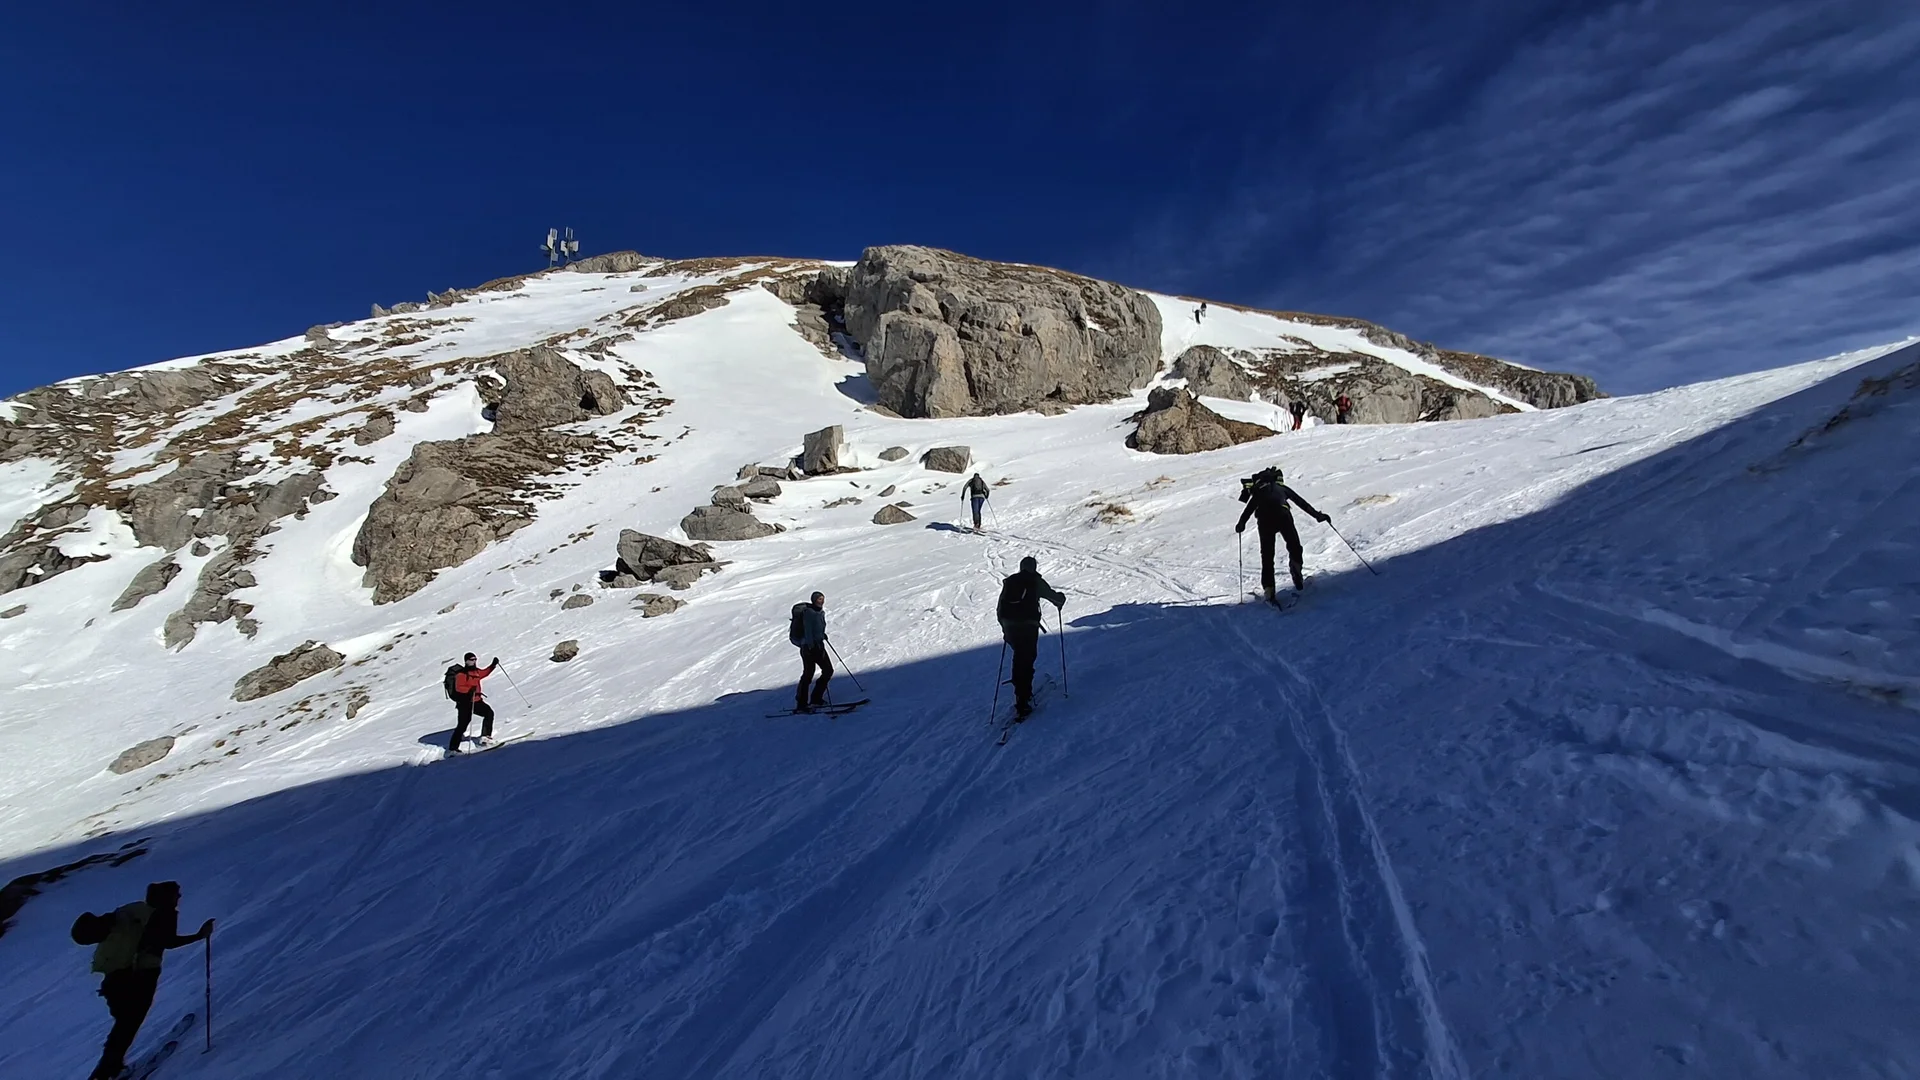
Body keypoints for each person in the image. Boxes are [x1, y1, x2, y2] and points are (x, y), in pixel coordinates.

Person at [83, 881, 213, 1080]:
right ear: (167, 897)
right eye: (176, 894)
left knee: (124, 1021)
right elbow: (166, 941)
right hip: (141, 973)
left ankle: (108, 1068)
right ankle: (109, 1071)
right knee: (130, 1020)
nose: (179, 897)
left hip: (113, 974)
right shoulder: (163, 913)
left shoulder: (138, 911)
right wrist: (199, 936)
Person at [1236, 466, 1330, 601]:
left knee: (1267, 556)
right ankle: (1295, 565)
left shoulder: (1257, 492)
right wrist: (1317, 516)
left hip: (1265, 521)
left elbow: (1248, 510)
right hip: (1283, 516)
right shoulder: (1281, 488)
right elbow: (1300, 502)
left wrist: (1241, 524)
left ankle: (1269, 589)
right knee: (1294, 546)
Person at [996, 556, 1066, 718]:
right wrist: (1061, 599)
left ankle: (1020, 691)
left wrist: (1005, 630)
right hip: (1027, 626)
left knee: (1019, 657)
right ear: (1034, 567)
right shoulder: (1035, 581)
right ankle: (1023, 698)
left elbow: (1000, 608)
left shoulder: (1010, 582)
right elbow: (1054, 597)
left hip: (1010, 627)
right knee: (1026, 659)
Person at [449, 653, 499, 753]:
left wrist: (493, 665)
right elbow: (459, 688)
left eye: (475, 659)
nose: (474, 661)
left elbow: (484, 673)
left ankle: (485, 738)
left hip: (476, 701)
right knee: (462, 725)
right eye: (471, 660)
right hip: (465, 703)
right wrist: (469, 690)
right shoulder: (461, 674)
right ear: (466, 661)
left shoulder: (476, 671)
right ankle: (452, 749)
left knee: (489, 713)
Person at [790, 591, 832, 711]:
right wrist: (811, 645)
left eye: (822, 599)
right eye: (819, 599)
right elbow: (808, 630)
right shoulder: (809, 613)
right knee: (809, 674)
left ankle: (816, 698)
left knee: (828, 670)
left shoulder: (820, 612)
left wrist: (822, 635)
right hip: (808, 648)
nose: (822, 601)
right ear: (814, 600)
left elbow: (816, 628)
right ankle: (802, 703)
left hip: (818, 645)